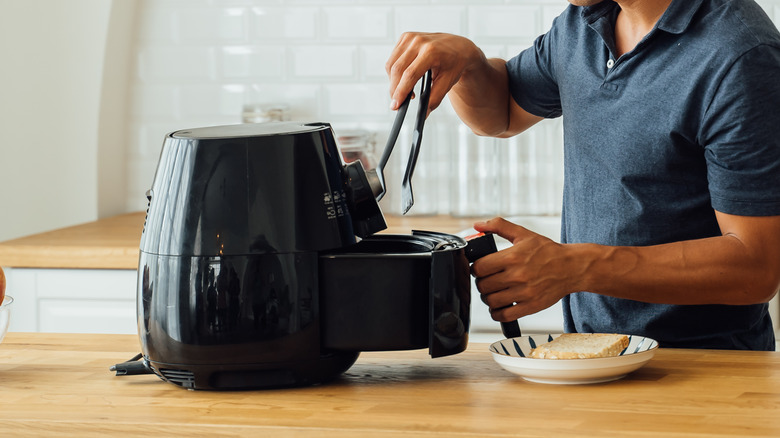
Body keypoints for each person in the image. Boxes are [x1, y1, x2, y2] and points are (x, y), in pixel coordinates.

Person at [386, 0, 780, 350]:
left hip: (705, 368)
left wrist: (575, 267)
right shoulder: (583, 23)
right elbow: (502, 112)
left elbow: (758, 266)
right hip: (590, 354)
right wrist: (468, 63)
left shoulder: (740, 54)